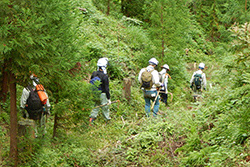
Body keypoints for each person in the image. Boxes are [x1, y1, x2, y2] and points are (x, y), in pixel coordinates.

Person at [20, 73, 51, 138]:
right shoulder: (41, 89)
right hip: (40, 110)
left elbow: (22, 103)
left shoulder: (26, 89)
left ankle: (34, 136)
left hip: (30, 111)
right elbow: (46, 102)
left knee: (32, 124)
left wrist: (22, 111)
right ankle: (42, 136)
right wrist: (48, 111)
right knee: (41, 124)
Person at [89, 57, 111, 126]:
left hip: (95, 93)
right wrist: (108, 98)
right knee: (105, 108)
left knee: (96, 106)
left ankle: (91, 120)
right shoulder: (104, 76)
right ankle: (107, 121)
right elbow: (106, 89)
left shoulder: (94, 73)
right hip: (102, 94)